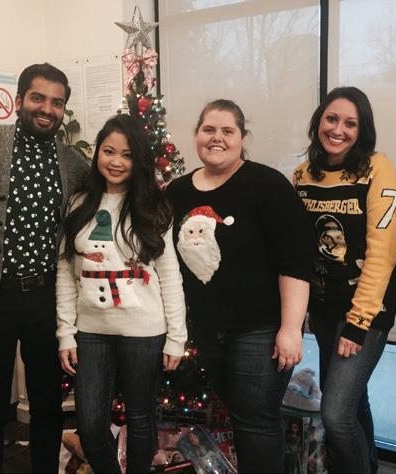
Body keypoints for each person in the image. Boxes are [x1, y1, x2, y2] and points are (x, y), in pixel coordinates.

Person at [166, 99, 313, 473]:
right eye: (209, 129)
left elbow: (295, 262)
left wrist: (291, 328)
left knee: (255, 422)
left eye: (227, 131)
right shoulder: (177, 192)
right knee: (240, 415)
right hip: (207, 329)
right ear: (197, 135)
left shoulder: (267, 185)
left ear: (242, 137)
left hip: (258, 330)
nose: (217, 138)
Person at [0, 63, 89, 473]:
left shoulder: (73, 164)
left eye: (57, 102)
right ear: (18, 101)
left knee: (47, 402)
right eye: (38, 98)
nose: (47, 109)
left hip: (46, 298)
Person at [56, 113, 187, 473]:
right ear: (97, 152)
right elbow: (66, 273)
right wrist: (65, 332)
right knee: (90, 424)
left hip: (144, 333)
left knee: (141, 419)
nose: (116, 161)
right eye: (109, 151)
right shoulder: (78, 204)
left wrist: (176, 338)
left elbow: (170, 276)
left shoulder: (153, 207)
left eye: (127, 155)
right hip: (91, 332)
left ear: (138, 160)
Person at [292, 86, 396, 473]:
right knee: (353, 402)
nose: (338, 129)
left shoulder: (377, 169)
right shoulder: (303, 175)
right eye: (331, 119)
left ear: (362, 130)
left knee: (336, 414)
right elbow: (297, 246)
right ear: (318, 121)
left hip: (364, 314)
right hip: (324, 309)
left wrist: (358, 324)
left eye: (350, 123)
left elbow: (383, 254)